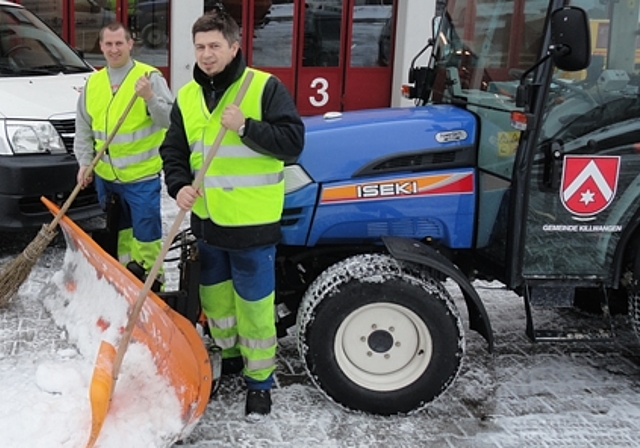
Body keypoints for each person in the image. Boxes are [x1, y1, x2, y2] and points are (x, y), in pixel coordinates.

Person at [159, 8, 304, 421]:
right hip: (206, 223)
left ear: (234, 47)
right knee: (216, 303)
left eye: (215, 46)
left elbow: (292, 143)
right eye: (200, 47)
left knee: (255, 307)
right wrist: (179, 185)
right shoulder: (186, 96)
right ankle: (231, 358)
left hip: (251, 226)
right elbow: (173, 151)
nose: (206, 55)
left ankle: (260, 382)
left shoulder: (263, 88)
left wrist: (246, 127)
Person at [74, 21, 173, 289]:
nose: (114, 49)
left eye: (120, 43)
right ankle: (127, 284)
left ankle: (154, 288)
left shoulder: (149, 77)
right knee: (120, 234)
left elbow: (170, 121)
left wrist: (150, 97)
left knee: (147, 237)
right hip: (106, 178)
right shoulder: (93, 82)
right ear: (101, 46)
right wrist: (85, 163)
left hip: (141, 179)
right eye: (108, 44)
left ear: (131, 44)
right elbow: (83, 127)